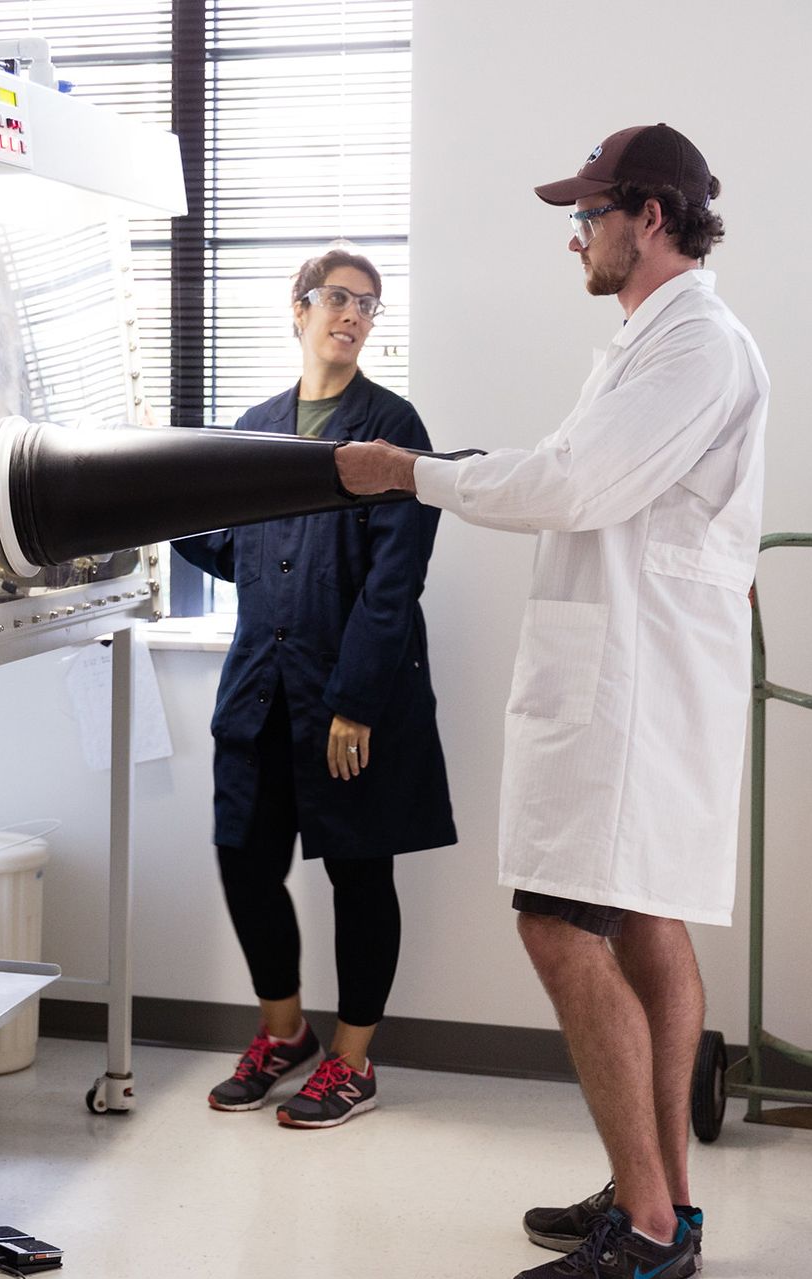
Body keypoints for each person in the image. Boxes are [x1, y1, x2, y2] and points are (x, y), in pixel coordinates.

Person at [335, 124, 766, 1279]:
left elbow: (570, 486)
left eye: (586, 212)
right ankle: (662, 1203)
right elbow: (578, 470)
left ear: (651, 214)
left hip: (629, 689)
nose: (573, 234)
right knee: (638, 917)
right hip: (628, 677)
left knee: (557, 925)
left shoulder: (695, 347)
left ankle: (640, 1225)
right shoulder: (645, 342)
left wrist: (410, 472)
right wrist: (452, 468)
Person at [174, 247, 456, 1131]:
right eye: (337, 298)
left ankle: (352, 1061)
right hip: (261, 687)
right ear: (297, 310)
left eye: (368, 306)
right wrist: (160, 506)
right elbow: (239, 549)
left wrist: (356, 703)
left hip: (350, 694)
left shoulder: (392, 428)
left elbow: (393, 581)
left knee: (359, 873)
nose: (353, 315)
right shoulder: (256, 430)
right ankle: (284, 1031)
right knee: (244, 857)